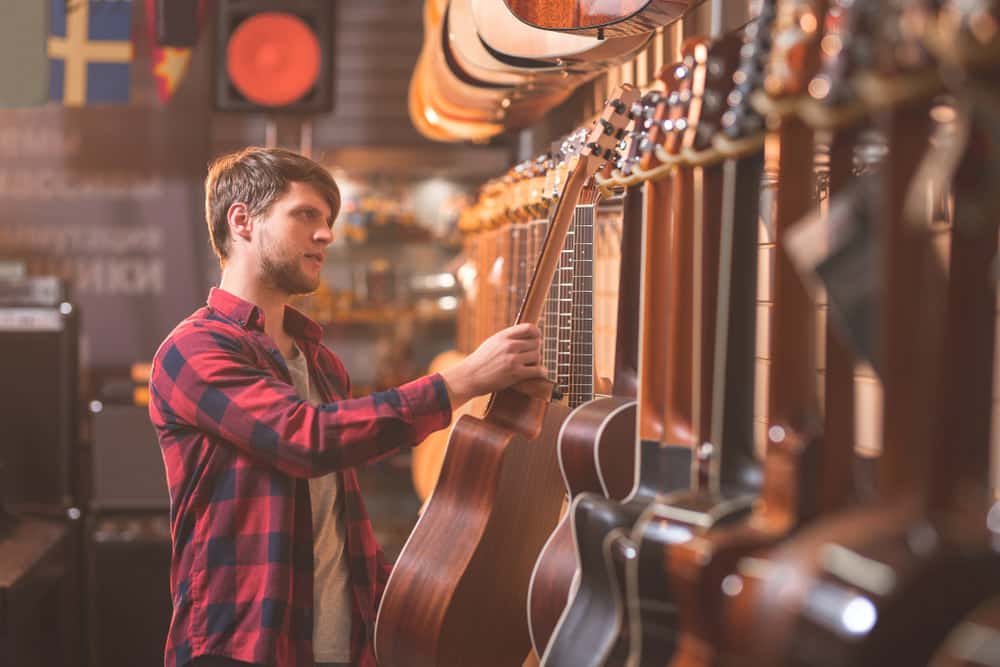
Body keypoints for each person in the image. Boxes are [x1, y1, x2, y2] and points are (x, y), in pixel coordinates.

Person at [148, 147, 546, 667]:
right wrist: (462, 380)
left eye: (328, 220)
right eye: (305, 215)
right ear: (241, 221)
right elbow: (307, 440)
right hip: (241, 647)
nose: (327, 235)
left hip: (340, 646)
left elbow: (341, 515)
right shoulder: (193, 351)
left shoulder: (320, 361)